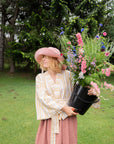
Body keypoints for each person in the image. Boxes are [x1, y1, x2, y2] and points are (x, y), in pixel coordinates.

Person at [34, 47, 94, 144]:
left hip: (67, 118)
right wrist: (62, 107)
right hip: (50, 118)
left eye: (46, 57)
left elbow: (81, 91)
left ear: (55, 59)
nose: (43, 59)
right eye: (42, 57)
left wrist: (91, 90)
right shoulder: (40, 78)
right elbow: (42, 97)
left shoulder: (69, 75)